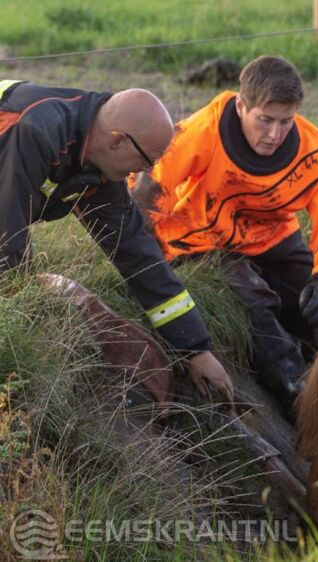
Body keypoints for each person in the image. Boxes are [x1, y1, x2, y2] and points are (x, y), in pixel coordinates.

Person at [129, 56, 318, 424]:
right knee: (255, 304)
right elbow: (147, 190)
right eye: (265, 120)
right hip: (198, 240)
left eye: (285, 122)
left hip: (270, 237)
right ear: (241, 106)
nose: (274, 134)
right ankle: (300, 401)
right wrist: (151, 260)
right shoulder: (202, 131)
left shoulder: (315, 153)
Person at [0, 79, 234, 403]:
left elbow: (135, 252)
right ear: (118, 141)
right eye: (147, 161)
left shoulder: (96, 158)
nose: (147, 171)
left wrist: (195, 347)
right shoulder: (32, 130)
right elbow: (6, 243)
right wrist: (20, 342)